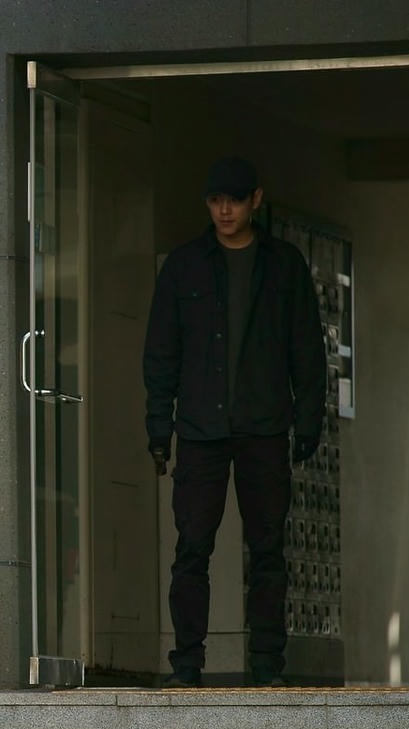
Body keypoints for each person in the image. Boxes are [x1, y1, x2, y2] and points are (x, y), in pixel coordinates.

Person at [143, 155, 326, 688]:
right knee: (191, 549)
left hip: (263, 426)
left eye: (235, 200)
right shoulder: (184, 267)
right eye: (216, 201)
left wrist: (308, 421)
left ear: (255, 201)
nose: (225, 210)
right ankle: (187, 663)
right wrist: (159, 428)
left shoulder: (284, 265)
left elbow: (306, 349)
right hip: (200, 428)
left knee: (268, 549)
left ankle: (268, 664)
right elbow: (161, 354)